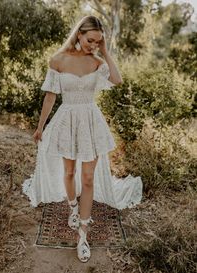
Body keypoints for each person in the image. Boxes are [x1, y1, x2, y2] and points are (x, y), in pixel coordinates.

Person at [22, 15, 143, 263]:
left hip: (90, 121)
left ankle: (83, 235)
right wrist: (40, 127)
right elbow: (50, 97)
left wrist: (106, 52)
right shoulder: (58, 60)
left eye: (98, 42)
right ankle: (73, 209)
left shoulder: (97, 62)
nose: (93, 46)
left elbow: (117, 80)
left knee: (87, 178)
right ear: (79, 34)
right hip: (67, 120)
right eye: (90, 40)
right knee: (68, 173)